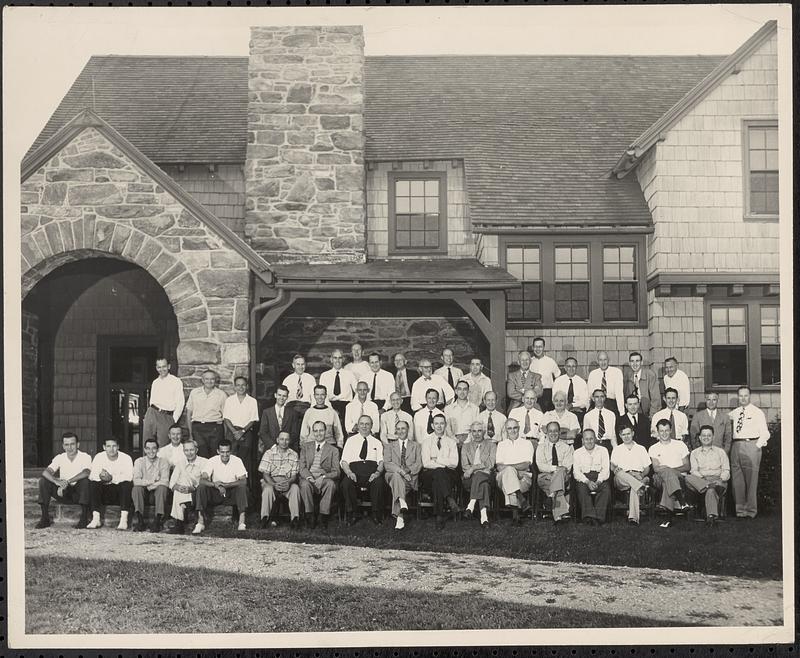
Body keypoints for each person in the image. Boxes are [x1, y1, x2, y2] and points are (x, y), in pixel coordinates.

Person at [36, 431, 92, 529]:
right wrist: (55, 481)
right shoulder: (60, 457)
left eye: (72, 444)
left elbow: (86, 472)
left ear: (78, 444)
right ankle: (45, 518)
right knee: (43, 481)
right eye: (66, 444)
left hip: (78, 494)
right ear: (63, 446)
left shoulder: (85, 456)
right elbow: (46, 472)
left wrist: (67, 482)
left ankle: (84, 519)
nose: (69, 448)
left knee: (85, 481)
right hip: (62, 492)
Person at [729, 386, 770, 519]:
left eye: (745, 395)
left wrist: (756, 446)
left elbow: (765, 433)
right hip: (736, 445)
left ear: (750, 396)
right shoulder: (734, 413)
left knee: (751, 480)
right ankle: (740, 511)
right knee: (737, 480)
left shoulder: (757, 412)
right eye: (740, 396)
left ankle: (751, 511)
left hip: (751, 444)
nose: (743, 398)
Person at [193, 438, 248, 534]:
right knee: (201, 487)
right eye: (222, 452)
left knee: (242, 488)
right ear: (218, 451)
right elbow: (202, 480)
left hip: (231, 492)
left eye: (227, 452)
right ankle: (200, 522)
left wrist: (227, 485)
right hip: (216, 492)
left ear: (231, 451)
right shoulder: (212, 460)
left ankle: (242, 522)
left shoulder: (237, 460)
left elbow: (243, 481)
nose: (225, 455)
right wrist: (215, 485)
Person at [340, 415, 385, 526]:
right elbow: (344, 461)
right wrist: (349, 472)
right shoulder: (350, 441)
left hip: (371, 473)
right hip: (354, 473)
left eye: (367, 424)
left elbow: (381, 462)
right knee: (345, 483)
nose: (364, 426)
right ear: (358, 426)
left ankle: (376, 514)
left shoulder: (377, 442)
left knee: (379, 483)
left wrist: (377, 473)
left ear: (371, 426)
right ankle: (352, 513)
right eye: (362, 424)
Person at [648, 418, 691, 528]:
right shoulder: (653, 448)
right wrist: (668, 470)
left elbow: (687, 466)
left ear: (671, 430)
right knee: (667, 476)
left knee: (668, 478)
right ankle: (682, 502)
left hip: (679, 477)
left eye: (666, 430)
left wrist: (670, 469)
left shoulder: (680, 445)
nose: (664, 433)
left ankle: (668, 517)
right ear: (657, 431)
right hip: (659, 477)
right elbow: (656, 468)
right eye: (661, 431)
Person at [298, 421, 340, 529]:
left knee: (330, 484)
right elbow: (302, 468)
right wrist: (309, 477)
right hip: (309, 478)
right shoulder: (305, 447)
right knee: (305, 485)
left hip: (324, 478)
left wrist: (323, 477)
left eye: (321, 430)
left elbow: (336, 471)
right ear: (313, 432)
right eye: (315, 431)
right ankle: (310, 515)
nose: (318, 433)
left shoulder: (333, 450)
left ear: (325, 431)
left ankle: (323, 516)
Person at [421, 414, 460, 529]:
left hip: (449, 474)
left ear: (445, 425)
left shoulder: (451, 442)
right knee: (438, 473)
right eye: (436, 423)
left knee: (438, 479)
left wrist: (437, 459)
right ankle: (449, 499)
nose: (439, 426)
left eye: (442, 423)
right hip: (429, 474)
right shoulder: (426, 442)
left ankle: (439, 516)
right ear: (432, 425)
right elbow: (426, 463)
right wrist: (443, 464)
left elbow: (454, 463)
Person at [685, 425, 730, 526]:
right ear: (700, 437)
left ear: (713, 437)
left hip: (717, 481)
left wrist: (720, 480)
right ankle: (708, 487)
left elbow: (726, 470)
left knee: (711, 490)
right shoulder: (694, 453)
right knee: (688, 477)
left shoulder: (720, 452)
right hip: (701, 481)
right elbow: (694, 471)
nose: (706, 437)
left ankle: (711, 517)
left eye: (709, 435)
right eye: (703, 435)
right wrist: (704, 481)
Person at [86, 437, 134, 530]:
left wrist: (111, 478)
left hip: (119, 494)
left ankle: (124, 520)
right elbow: (92, 476)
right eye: (108, 446)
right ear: (104, 447)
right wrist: (101, 477)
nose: (111, 449)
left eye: (114, 446)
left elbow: (129, 477)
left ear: (118, 447)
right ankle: (96, 518)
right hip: (103, 493)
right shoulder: (99, 457)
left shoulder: (126, 458)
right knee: (93, 484)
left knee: (126, 485)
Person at [384, 420, 422, 531]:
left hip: (410, 478)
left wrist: (407, 471)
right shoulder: (389, 446)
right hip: (392, 476)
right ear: (395, 431)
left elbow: (419, 464)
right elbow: (387, 464)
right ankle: (401, 505)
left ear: (408, 430)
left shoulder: (416, 446)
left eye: (403, 428)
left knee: (398, 481)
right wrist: (402, 472)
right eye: (398, 429)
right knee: (396, 475)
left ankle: (400, 515)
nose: (401, 431)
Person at [610, 426, 652, 526]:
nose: (626, 437)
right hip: (622, 477)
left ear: (633, 433)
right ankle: (640, 484)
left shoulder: (641, 449)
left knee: (635, 486)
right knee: (620, 474)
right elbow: (612, 466)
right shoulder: (617, 449)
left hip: (638, 475)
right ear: (620, 436)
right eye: (623, 434)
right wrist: (615, 469)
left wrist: (641, 475)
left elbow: (647, 468)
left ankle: (633, 517)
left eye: (628, 434)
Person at [258, 431, 301, 529]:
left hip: (287, 482)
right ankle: (264, 518)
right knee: (267, 490)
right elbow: (265, 474)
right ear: (277, 440)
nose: (284, 442)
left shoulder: (294, 455)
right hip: (271, 481)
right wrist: (273, 484)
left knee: (295, 488)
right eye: (282, 439)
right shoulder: (269, 453)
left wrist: (289, 483)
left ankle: (295, 519)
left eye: (286, 439)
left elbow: (294, 476)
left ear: (289, 441)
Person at [495, 419, 533, 524]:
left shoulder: (527, 443)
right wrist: (512, 471)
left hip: (523, 477)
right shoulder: (501, 445)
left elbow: (526, 465)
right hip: (502, 477)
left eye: (515, 428)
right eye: (509, 428)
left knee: (509, 476)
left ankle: (515, 516)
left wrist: (510, 469)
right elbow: (499, 466)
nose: (513, 431)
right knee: (508, 474)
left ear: (519, 428)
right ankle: (520, 497)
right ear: (506, 430)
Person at [535, 421, 574, 524]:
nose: (553, 433)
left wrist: (558, 472)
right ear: (546, 433)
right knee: (559, 477)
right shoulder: (541, 447)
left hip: (562, 477)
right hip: (545, 477)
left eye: (556, 431)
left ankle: (556, 512)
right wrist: (555, 469)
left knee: (561, 474)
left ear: (559, 432)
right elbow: (540, 466)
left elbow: (567, 467)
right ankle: (561, 505)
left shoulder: (567, 447)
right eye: (550, 431)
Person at [142, 357, 185, 448]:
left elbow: (180, 402)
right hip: (152, 413)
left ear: (169, 366)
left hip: (166, 416)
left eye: (164, 366)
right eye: (159, 367)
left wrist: (174, 420)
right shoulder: (155, 382)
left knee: (163, 446)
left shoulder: (176, 381)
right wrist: (148, 416)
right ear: (156, 368)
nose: (162, 369)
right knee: (148, 444)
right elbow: (152, 400)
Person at [166, 438, 207, 534]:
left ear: (196, 450)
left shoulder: (204, 462)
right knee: (179, 486)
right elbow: (172, 483)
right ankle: (182, 519)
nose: (189, 453)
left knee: (185, 478)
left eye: (192, 450)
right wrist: (178, 487)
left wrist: (192, 488)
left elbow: (205, 480)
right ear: (183, 451)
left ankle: (179, 522)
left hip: (197, 492)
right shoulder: (180, 463)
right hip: (184, 492)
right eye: (186, 450)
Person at [131, 437, 171, 532]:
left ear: (158, 450)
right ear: (145, 449)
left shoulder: (163, 462)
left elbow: (165, 481)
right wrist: (152, 481)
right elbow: (136, 481)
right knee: (136, 488)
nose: (151, 451)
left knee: (162, 488)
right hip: (143, 494)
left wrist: (148, 485)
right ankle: (140, 521)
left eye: (154, 448)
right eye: (148, 448)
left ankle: (157, 520)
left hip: (158, 494)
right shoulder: (139, 461)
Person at [461, 422, 496, 527]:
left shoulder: (492, 445)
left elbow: (490, 464)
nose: (477, 434)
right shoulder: (466, 446)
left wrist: (473, 468)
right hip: (470, 479)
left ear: (484, 432)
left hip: (487, 476)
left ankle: (471, 505)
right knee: (483, 485)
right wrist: (477, 470)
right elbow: (464, 466)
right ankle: (484, 517)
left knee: (480, 476)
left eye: (479, 431)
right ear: (471, 433)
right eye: (474, 431)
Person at [572, 429, 611, 526]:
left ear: (595, 439)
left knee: (606, 489)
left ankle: (599, 517)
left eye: (591, 439)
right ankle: (589, 517)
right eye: (586, 439)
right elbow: (576, 472)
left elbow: (605, 470)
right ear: (582, 440)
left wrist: (598, 481)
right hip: (584, 478)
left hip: (599, 477)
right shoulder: (577, 452)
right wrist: (587, 482)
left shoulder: (603, 450)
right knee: (581, 489)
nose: (589, 441)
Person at [186, 369, 227, 458]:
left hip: (215, 429)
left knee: (215, 456)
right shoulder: (194, 393)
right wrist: (190, 434)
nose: (209, 381)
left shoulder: (221, 394)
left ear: (215, 380)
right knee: (201, 456)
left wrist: (225, 435)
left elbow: (226, 416)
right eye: (207, 379)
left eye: (212, 379)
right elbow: (189, 414)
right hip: (198, 428)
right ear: (203, 380)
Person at [222, 376, 259, 460]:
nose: (240, 387)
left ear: (247, 386)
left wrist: (242, 432)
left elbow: (253, 420)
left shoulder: (252, 401)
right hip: (232, 432)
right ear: (234, 387)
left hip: (246, 431)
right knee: (231, 456)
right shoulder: (229, 400)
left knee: (245, 458)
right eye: (238, 385)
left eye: (243, 385)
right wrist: (235, 432)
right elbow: (226, 418)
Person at [319, 349, 357, 431]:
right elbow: (322, 395)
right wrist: (331, 408)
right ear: (331, 359)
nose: (337, 360)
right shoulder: (324, 375)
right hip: (330, 404)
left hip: (346, 405)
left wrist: (352, 405)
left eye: (340, 358)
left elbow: (358, 391)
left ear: (343, 359)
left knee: (346, 426)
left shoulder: (349, 374)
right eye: (335, 358)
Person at [258, 385, 301, 455]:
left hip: (287, 449)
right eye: (279, 395)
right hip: (271, 448)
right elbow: (263, 432)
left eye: (284, 396)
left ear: (287, 397)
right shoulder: (267, 412)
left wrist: (285, 445)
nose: (281, 398)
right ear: (275, 395)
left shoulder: (292, 413)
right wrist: (273, 446)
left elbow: (294, 433)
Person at [623, 352, 662, 419]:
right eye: (632, 361)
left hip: (647, 414)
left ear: (641, 362)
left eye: (637, 361)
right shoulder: (627, 377)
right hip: (633, 414)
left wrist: (652, 416)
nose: (635, 364)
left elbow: (656, 399)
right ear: (629, 363)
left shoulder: (650, 375)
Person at [552, 357, 589, 426]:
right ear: (565, 367)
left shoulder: (582, 382)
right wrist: (565, 407)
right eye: (569, 366)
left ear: (576, 367)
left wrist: (572, 405)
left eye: (573, 366)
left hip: (578, 412)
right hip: (561, 410)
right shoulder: (558, 381)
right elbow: (554, 399)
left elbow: (585, 401)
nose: (571, 369)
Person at [587, 352, 625, 416]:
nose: (603, 362)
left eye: (605, 360)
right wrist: (587, 409)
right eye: (600, 360)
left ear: (608, 360)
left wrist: (622, 413)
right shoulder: (593, 374)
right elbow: (589, 394)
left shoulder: (616, 372)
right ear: (598, 361)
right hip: (596, 403)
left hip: (611, 404)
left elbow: (619, 394)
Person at [529, 337, 561, 412]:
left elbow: (558, 376)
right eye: (536, 347)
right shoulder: (530, 362)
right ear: (533, 347)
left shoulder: (550, 361)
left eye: (540, 347)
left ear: (543, 347)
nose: (538, 349)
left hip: (547, 394)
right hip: (533, 393)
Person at [444, 380, 480, 444]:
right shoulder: (448, 409)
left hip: (470, 441)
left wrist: (467, 440)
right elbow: (447, 428)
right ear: (456, 391)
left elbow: (476, 427)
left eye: (465, 389)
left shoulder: (475, 409)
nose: (462, 392)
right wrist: (455, 440)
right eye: (459, 389)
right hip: (452, 441)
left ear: (468, 391)